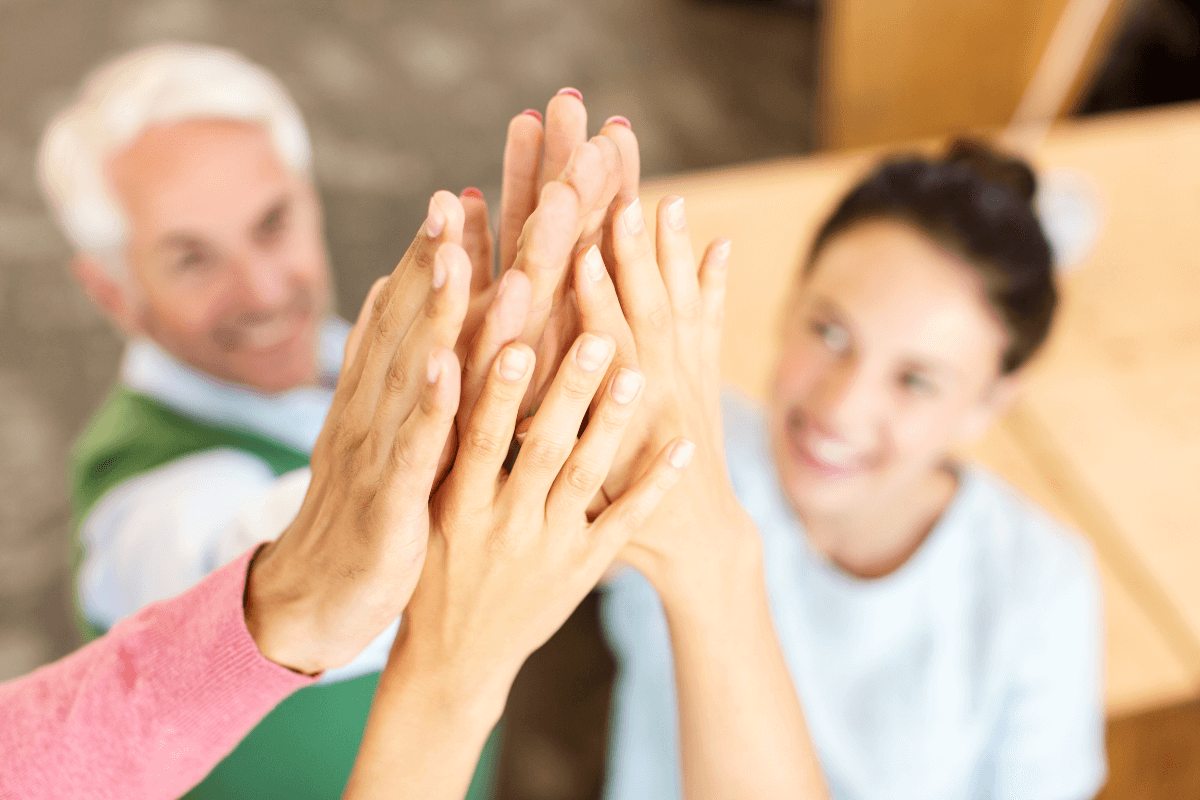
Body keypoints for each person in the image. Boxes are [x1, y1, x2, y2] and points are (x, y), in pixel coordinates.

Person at [36, 41, 631, 798]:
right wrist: (468, 427)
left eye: (272, 222)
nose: (262, 290)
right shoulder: (138, 518)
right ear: (114, 294)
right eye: (193, 259)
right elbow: (280, 570)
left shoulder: (333, 349)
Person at [595, 141, 1106, 799]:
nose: (841, 407)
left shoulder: (1041, 588)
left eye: (915, 380)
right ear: (791, 302)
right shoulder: (686, 451)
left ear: (991, 402)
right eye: (830, 332)